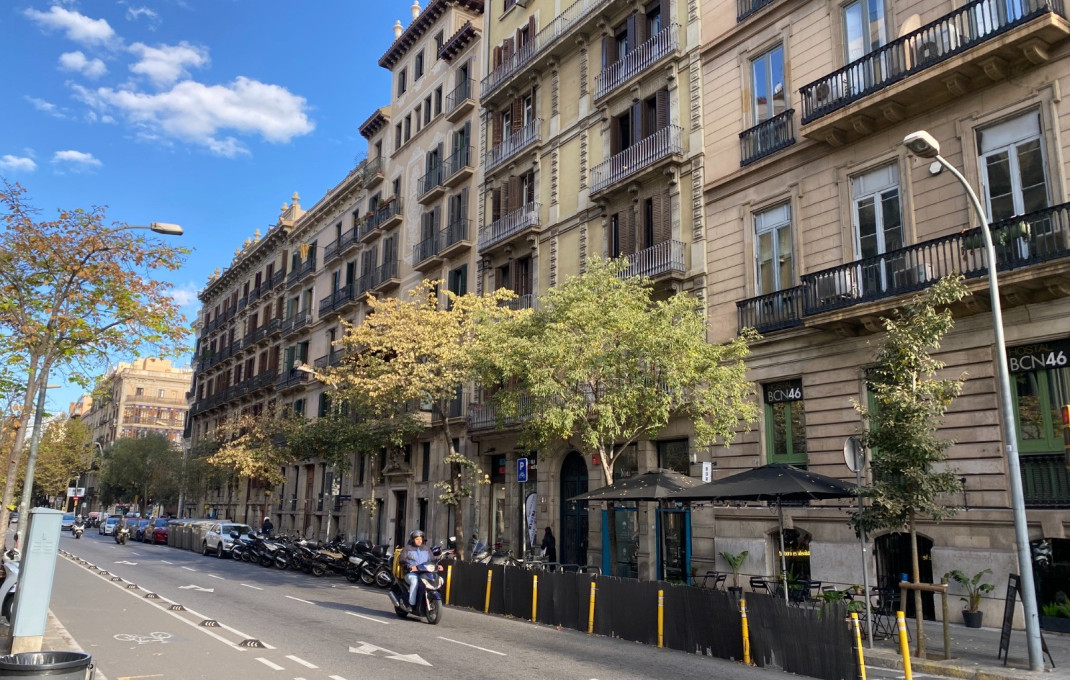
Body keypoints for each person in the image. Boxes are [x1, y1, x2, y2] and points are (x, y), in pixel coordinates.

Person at [399, 529, 432, 609]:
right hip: (411, 573)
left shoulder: (426, 548)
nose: (419, 541)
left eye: (420, 539)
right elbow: (402, 560)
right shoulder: (407, 549)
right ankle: (411, 604)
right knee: (414, 581)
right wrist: (409, 566)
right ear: (413, 540)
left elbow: (432, 559)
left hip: (424, 573)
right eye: (417, 539)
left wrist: (437, 565)